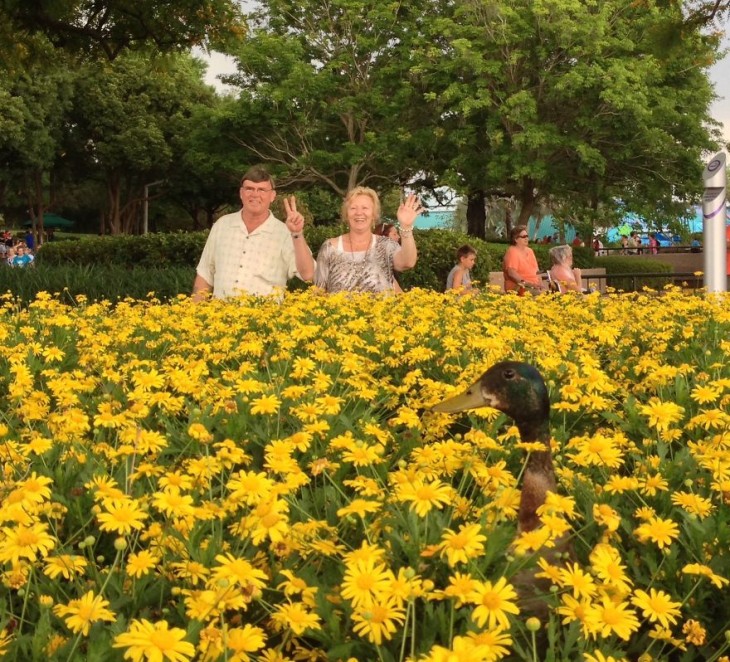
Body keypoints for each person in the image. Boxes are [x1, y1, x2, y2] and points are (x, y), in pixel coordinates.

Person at [193, 166, 315, 300]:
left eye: (262, 190)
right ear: (241, 193)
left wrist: (297, 234)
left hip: (262, 318)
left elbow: (308, 274)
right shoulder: (222, 225)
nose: (255, 194)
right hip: (219, 317)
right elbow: (205, 275)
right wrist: (194, 315)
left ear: (272, 196)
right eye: (249, 189)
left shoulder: (285, 234)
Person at [314, 187, 420, 293]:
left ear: (374, 214)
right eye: (353, 208)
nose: (359, 213)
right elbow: (318, 293)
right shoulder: (329, 248)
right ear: (346, 214)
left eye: (365, 208)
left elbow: (407, 262)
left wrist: (406, 227)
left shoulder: (386, 245)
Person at [503, 225, 545, 293]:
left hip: (533, 286)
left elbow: (537, 271)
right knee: (541, 297)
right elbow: (512, 273)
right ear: (515, 239)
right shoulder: (512, 252)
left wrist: (540, 283)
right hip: (518, 287)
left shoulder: (530, 251)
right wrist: (527, 284)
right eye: (523, 237)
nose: (526, 238)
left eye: (527, 236)